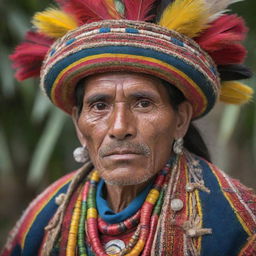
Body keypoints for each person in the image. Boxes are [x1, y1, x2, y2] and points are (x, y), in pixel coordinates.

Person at [1, 0, 256, 255]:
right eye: (99, 106)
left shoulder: (237, 223)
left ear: (180, 120)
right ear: (78, 125)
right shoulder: (45, 216)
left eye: (144, 103)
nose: (120, 127)